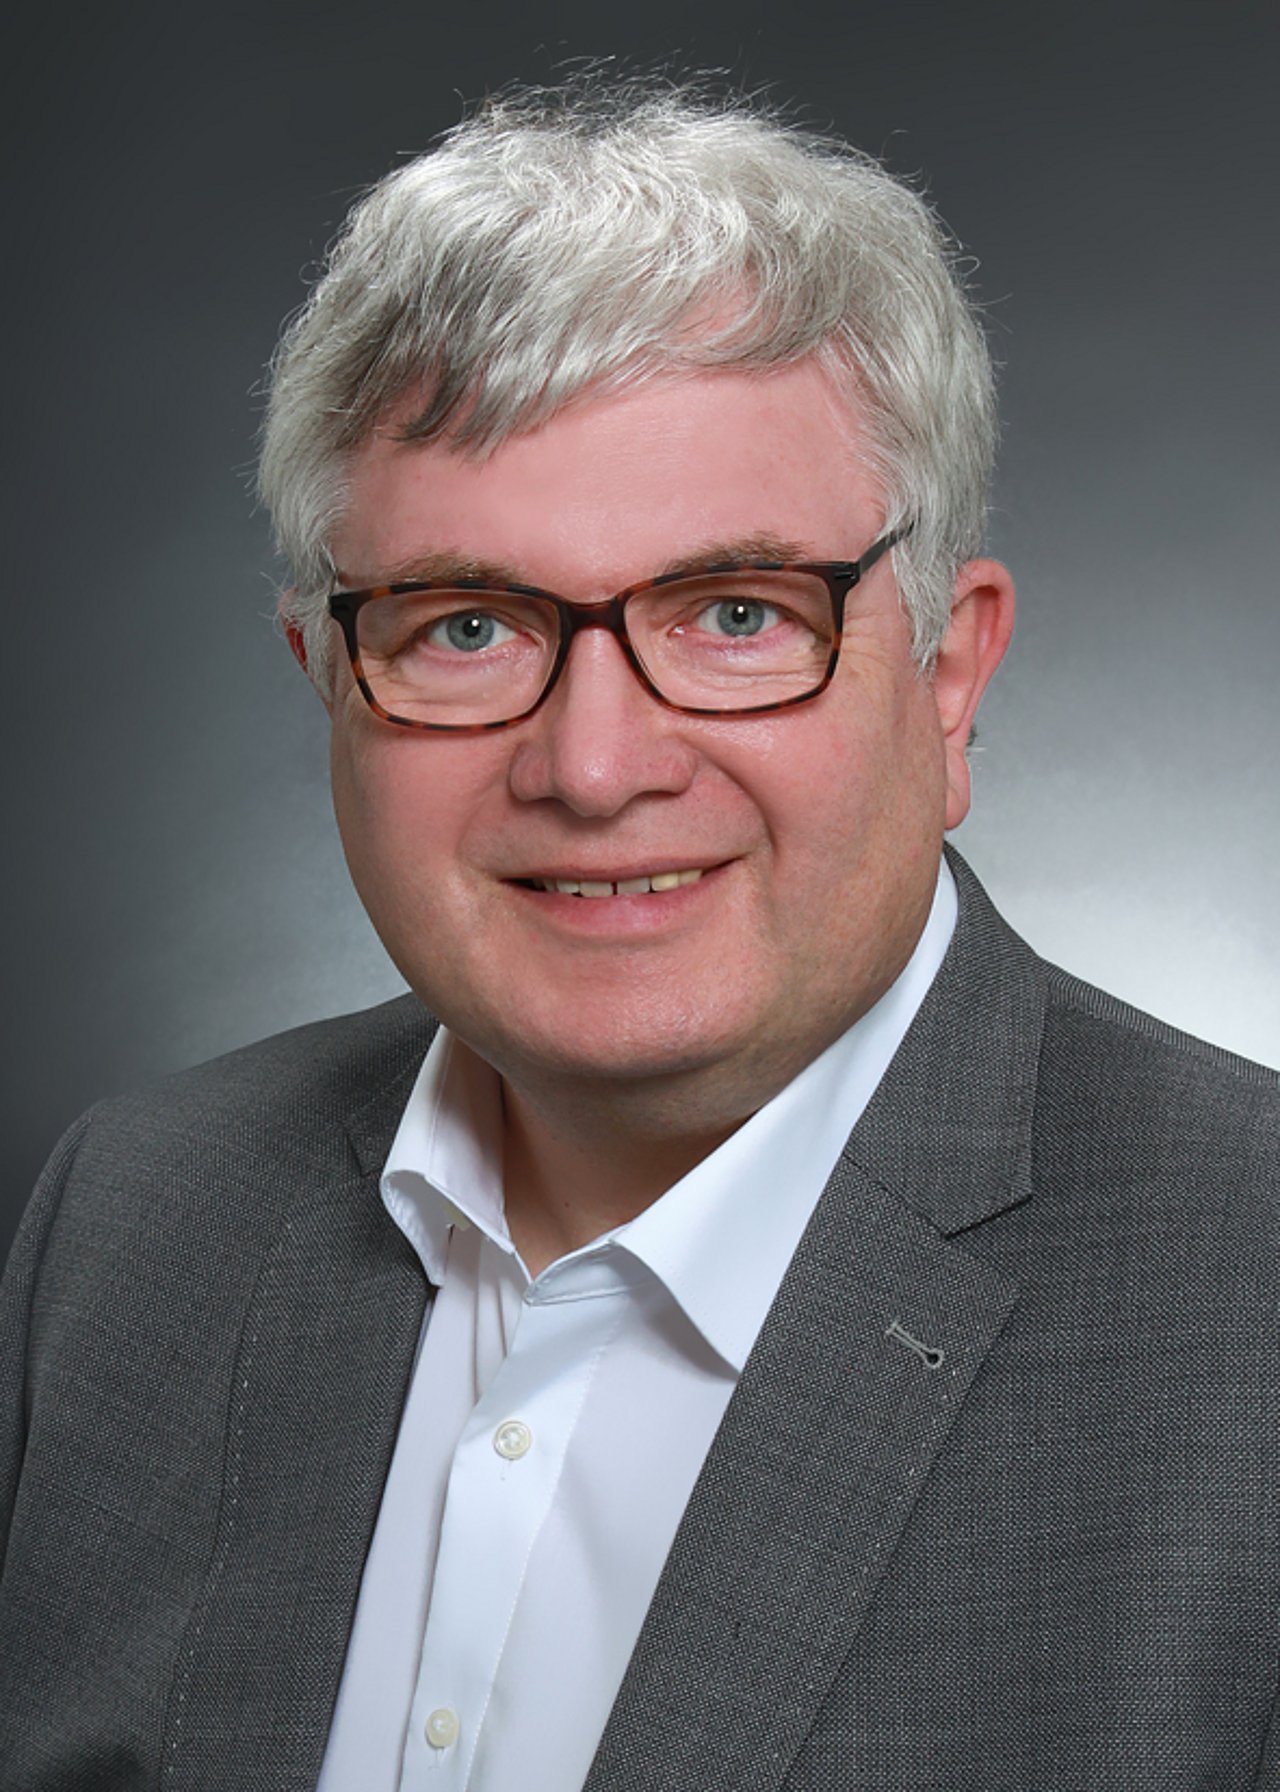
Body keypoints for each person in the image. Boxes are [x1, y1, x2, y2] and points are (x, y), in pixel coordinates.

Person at [2, 75, 1278, 1792]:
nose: (595, 768)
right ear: (328, 683)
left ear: (949, 675)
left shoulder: (1249, 1308)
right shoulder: (137, 1220)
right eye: (466, 626)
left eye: (737, 611)